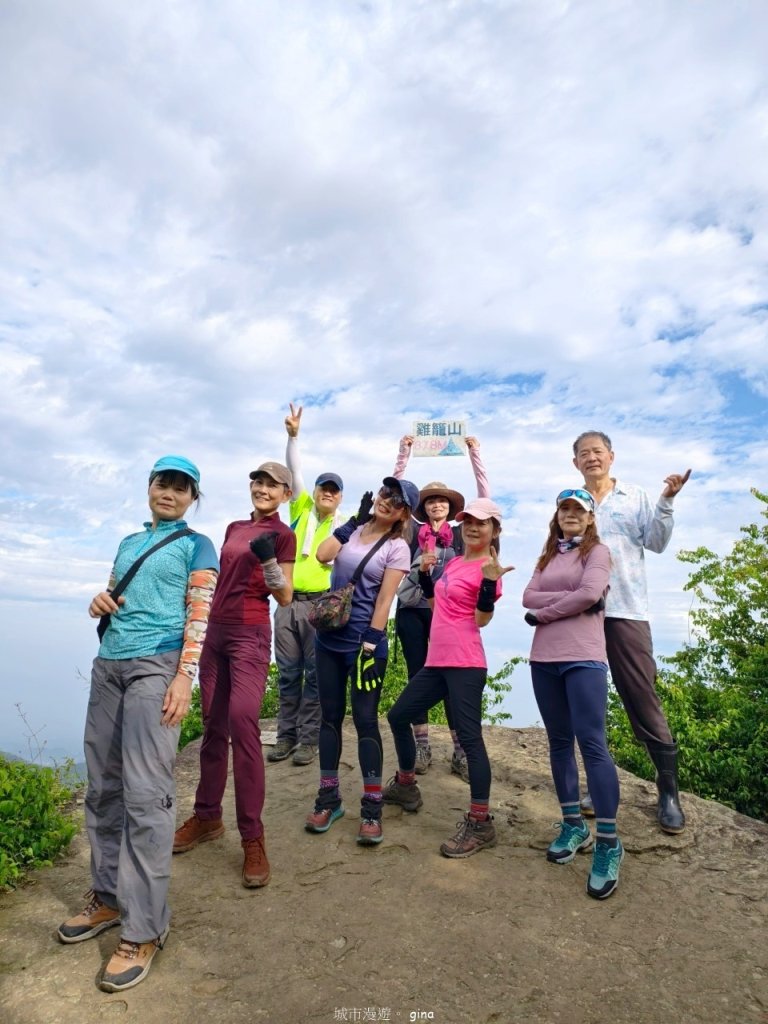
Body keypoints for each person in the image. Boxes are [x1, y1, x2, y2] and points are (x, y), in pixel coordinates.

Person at [57, 456, 219, 992]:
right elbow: (114, 598)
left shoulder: (197, 545)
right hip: (110, 665)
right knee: (102, 787)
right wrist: (100, 602)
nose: (169, 492)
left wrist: (184, 678)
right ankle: (106, 899)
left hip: (158, 666)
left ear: (192, 497)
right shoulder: (128, 543)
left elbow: (200, 613)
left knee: (146, 798)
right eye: (161, 482)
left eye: (180, 487)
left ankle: (145, 928)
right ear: (149, 487)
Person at [173, 461, 296, 887]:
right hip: (215, 634)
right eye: (258, 482)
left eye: (272, 484)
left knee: (243, 725)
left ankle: (253, 838)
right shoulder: (232, 527)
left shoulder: (283, 534)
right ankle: (207, 817)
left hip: (249, 634)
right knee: (213, 725)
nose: (262, 488)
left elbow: (284, 594)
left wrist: (268, 562)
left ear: (285, 494)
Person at [572, 431, 691, 834]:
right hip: (582, 613)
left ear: (611, 457)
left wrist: (668, 501)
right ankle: (599, 788)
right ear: (575, 463)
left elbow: (656, 542)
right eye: (584, 454)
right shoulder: (573, 502)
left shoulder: (636, 497)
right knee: (588, 701)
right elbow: (561, 551)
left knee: (642, 695)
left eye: (598, 452)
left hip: (627, 609)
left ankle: (668, 791)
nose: (592, 458)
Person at [383, 498, 512, 858]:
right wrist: (425, 577)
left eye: (482, 523)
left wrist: (488, 586)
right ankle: (407, 785)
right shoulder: (454, 561)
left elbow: (481, 619)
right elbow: (439, 607)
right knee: (398, 716)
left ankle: (481, 823)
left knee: (471, 740)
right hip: (437, 661)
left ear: (494, 531)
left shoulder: (489, 567)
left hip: (466, 663)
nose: (473, 526)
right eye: (468, 521)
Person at [523, 488, 623, 900]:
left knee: (593, 745)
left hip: (583, 657)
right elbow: (528, 595)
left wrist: (544, 613)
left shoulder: (598, 553)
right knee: (559, 742)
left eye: (578, 510)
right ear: (557, 514)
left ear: (590, 517)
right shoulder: (547, 556)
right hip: (544, 659)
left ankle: (608, 842)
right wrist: (574, 600)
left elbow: (588, 594)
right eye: (564, 508)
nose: (570, 515)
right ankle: (572, 824)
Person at [304, 477, 416, 845]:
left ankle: (371, 807)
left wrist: (371, 640)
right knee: (330, 717)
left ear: (404, 513)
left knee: (366, 720)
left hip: (364, 647)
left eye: (397, 500)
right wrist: (352, 521)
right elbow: (322, 555)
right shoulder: (350, 531)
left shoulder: (398, 547)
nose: (387, 500)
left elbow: (385, 601)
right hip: (329, 640)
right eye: (386, 493)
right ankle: (329, 798)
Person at [391, 434, 491, 780]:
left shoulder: (462, 534)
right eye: (430, 501)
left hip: (448, 615)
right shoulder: (410, 531)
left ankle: (460, 749)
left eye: (441, 502)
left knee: (450, 678)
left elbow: (485, 501)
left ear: (450, 507)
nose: (436, 506)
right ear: (423, 507)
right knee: (419, 673)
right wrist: (403, 454)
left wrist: (475, 454)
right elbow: (395, 494)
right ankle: (422, 745)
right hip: (412, 611)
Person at [268, 403, 344, 767]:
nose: (327, 494)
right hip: (286, 602)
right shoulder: (300, 510)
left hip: (320, 605)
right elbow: (294, 471)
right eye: (323, 488)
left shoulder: (345, 526)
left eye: (334, 491)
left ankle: (309, 740)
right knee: (287, 672)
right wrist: (292, 437)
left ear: (340, 498)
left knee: (315, 675)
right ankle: (286, 736)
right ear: (314, 492)